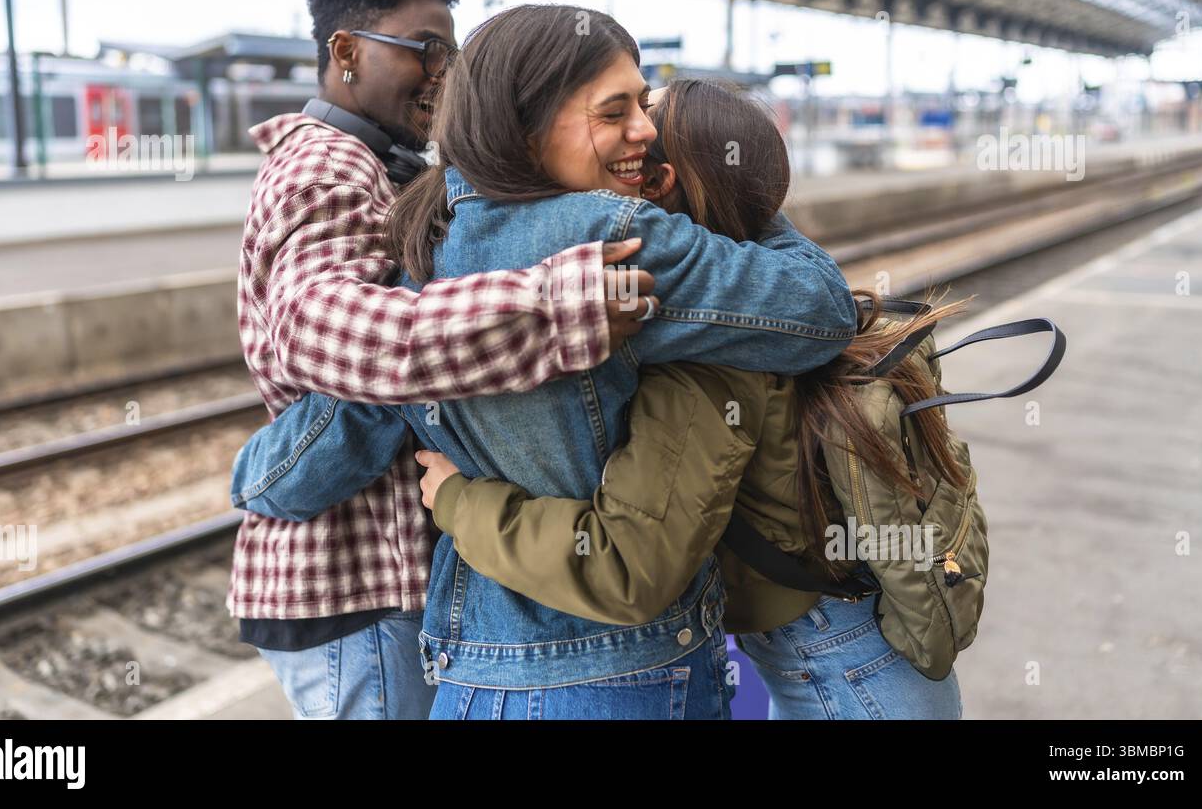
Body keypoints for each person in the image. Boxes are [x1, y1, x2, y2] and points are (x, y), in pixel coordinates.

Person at [235, 5, 859, 718]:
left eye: (642, 105)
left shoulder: (419, 243)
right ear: (527, 128)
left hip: (474, 674)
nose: (647, 130)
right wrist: (734, 199)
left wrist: (256, 479)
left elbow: (345, 424)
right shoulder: (612, 238)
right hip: (620, 676)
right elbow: (820, 311)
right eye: (614, 110)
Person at [412, 78, 967, 719]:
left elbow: (626, 565)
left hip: (847, 674)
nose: (633, 132)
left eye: (644, 119)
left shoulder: (706, 356)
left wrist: (458, 501)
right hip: (854, 641)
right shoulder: (753, 289)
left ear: (657, 183)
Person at [231, 0, 656, 720]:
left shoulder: (379, 164)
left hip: (382, 582)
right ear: (346, 52)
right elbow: (324, 331)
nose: (443, 72)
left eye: (451, 53)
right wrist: (552, 312)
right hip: (353, 585)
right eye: (424, 48)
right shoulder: (324, 168)